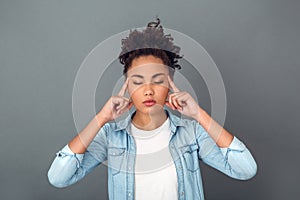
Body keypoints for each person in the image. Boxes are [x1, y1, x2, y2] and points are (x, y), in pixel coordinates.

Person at [48, 18, 257, 200]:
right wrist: (101, 118)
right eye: (138, 82)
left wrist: (198, 114)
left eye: (157, 81)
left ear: (170, 83)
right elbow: (58, 178)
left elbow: (246, 169)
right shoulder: (111, 137)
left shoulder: (191, 133)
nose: (148, 91)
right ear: (127, 86)